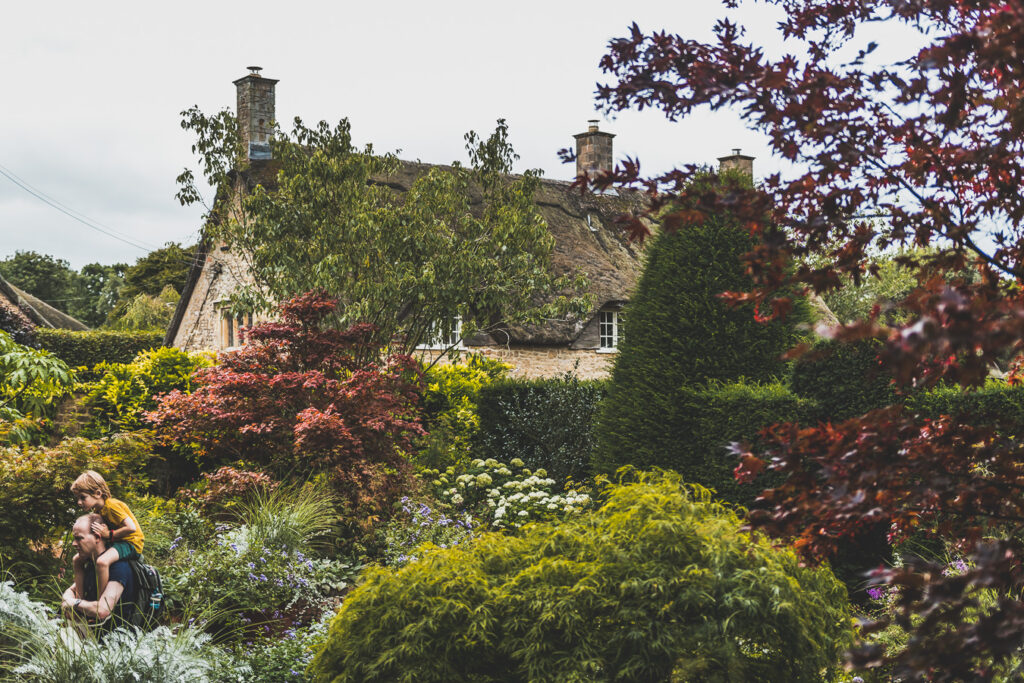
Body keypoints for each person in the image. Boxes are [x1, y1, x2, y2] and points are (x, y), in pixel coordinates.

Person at [70, 470, 145, 599]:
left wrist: (109, 534)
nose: (79, 502)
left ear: (98, 493)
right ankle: (79, 598)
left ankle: (100, 601)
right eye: (78, 498)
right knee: (77, 559)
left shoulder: (112, 506)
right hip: (117, 540)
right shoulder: (98, 509)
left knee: (102, 562)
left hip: (131, 543)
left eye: (83, 497)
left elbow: (131, 528)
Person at [61, 513, 137, 632]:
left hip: (116, 642)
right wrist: (69, 599)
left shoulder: (119, 568)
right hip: (94, 637)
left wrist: (72, 603)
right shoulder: (91, 563)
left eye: (79, 538)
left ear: (97, 537)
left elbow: (102, 610)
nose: (74, 544)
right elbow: (71, 590)